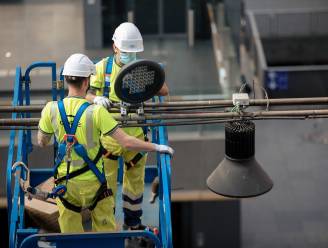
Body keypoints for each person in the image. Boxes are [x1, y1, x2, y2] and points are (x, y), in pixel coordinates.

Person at [38, 53, 173, 233]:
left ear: (65, 79)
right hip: (95, 185)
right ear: (87, 82)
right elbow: (127, 142)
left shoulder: (50, 109)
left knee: (70, 238)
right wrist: (157, 147)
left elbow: (42, 142)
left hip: (66, 185)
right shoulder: (97, 112)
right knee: (105, 234)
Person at [86, 22, 169, 230]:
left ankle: (133, 223)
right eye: (126, 52)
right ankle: (107, 225)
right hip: (109, 140)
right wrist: (95, 99)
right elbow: (85, 93)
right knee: (107, 186)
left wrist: (148, 77)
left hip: (136, 138)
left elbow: (164, 90)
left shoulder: (142, 69)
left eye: (133, 53)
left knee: (135, 185)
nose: (129, 56)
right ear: (115, 47)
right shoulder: (101, 68)